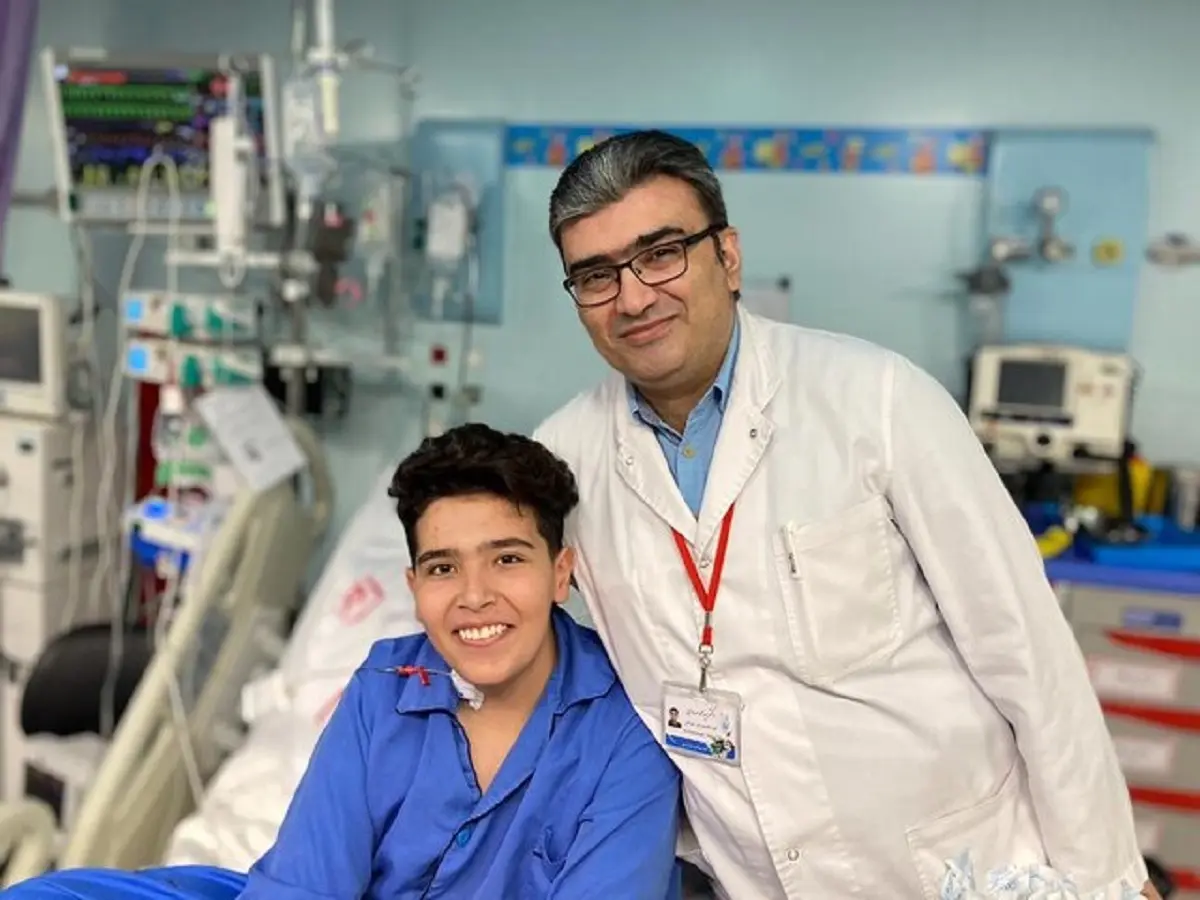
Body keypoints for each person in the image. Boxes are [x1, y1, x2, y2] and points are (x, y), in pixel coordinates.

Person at [532, 130, 1158, 900]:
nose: (632, 297)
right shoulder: (563, 460)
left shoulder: (878, 399)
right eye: (595, 275)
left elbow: (1027, 651)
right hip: (753, 878)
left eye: (661, 254)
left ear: (727, 256)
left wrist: (1108, 880)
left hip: (962, 867)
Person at [2, 424, 681, 900]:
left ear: (561, 573)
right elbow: (306, 883)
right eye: (443, 568)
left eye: (507, 559)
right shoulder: (387, 687)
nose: (475, 596)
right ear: (413, 587)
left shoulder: (626, 735)